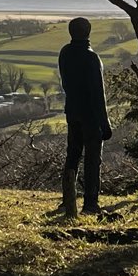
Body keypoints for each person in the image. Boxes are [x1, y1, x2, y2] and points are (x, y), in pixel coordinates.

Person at [57, 15, 113, 215]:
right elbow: (98, 93)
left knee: (72, 155)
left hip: (72, 111)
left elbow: (65, 83)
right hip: (90, 115)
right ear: (88, 33)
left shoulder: (64, 53)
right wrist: (105, 123)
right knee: (92, 159)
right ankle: (90, 203)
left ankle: (67, 199)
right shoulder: (91, 57)